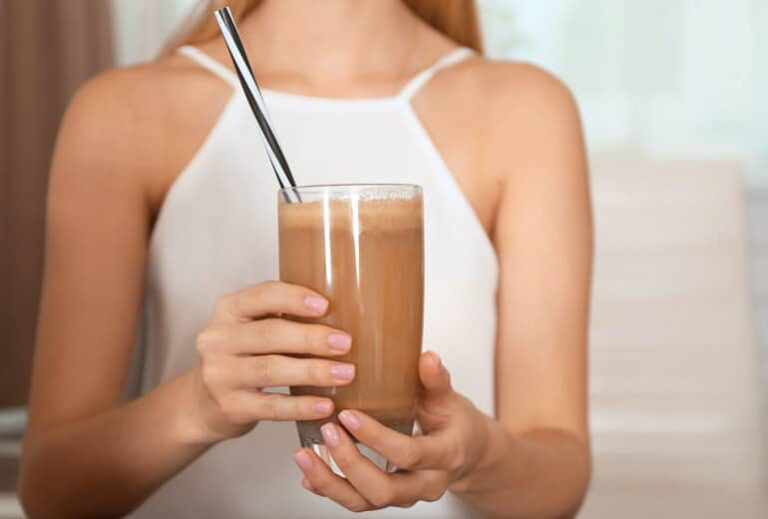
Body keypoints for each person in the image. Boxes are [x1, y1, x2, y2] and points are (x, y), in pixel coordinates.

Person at [18, 0, 592, 516]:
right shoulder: (119, 113)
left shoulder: (528, 112)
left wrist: (477, 454)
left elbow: (557, 482)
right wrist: (196, 407)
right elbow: (52, 489)